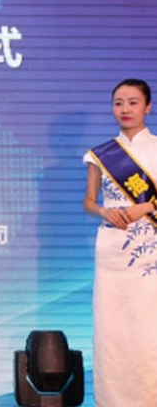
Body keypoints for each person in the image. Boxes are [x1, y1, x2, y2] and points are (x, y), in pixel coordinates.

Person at [82, 78, 157, 407]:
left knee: (148, 330)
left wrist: (148, 206)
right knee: (112, 334)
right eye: (118, 103)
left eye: (133, 102)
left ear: (147, 107)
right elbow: (89, 201)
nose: (125, 109)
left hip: (150, 252)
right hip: (112, 251)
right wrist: (103, 211)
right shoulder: (101, 155)